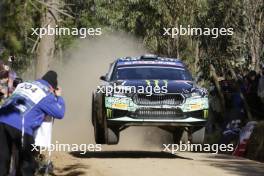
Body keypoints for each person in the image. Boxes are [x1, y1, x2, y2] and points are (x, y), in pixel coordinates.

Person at [0, 70, 65, 176]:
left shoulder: (24, 84)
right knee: (27, 164)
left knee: (2, 160)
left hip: (1, 118)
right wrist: (58, 97)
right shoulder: (46, 92)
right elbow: (60, 113)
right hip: (20, 125)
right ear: (52, 87)